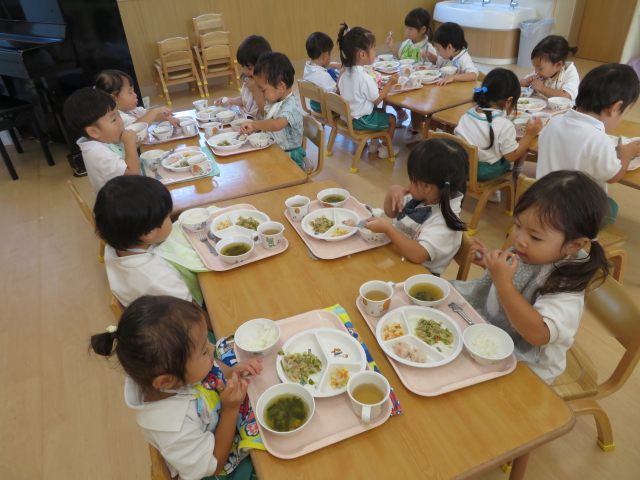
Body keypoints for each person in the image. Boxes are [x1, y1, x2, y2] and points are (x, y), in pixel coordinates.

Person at [450, 171, 610, 384]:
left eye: (534, 236)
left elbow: (538, 335)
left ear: (573, 245)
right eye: (517, 225)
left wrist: (503, 283)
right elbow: (518, 274)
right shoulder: (533, 251)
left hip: (528, 366)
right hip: (491, 336)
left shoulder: (567, 284)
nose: (519, 239)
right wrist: (491, 263)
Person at [90, 295, 264, 480]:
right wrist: (230, 409)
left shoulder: (172, 371)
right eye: (204, 351)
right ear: (166, 382)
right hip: (217, 464)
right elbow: (213, 465)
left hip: (221, 417)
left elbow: (211, 367)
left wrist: (231, 373)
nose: (211, 347)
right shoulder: (172, 427)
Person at [537, 63, 640, 224]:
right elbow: (612, 177)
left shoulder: (554, 121)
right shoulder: (600, 141)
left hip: (540, 200)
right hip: (569, 214)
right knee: (611, 208)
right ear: (616, 107)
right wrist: (626, 155)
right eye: (625, 112)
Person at [364, 139, 468, 275]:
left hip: (419, 276)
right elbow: (391, 212)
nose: (407, 181)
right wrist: (392, 192)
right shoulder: (422, 199)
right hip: (397, 258)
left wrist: (388, 229)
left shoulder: (445, 222)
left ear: (426, 187)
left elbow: (418, 255)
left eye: (410, 177)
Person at [94, 175, 201, 306]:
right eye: (168, 216)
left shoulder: (115, 243)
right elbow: (194, 315)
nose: (170, 218)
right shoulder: (158, 278)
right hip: (182, 316)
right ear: (148, 233)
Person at [455, 68, 543, 203]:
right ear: (508, 102)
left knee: (499, 146)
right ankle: (504, 183)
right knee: (513, 150)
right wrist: (530, 135)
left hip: (460, 165)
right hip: (483, 172)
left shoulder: (469, 113)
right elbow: (512, 156)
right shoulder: (503, 124)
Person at [336, 23, 399, 160]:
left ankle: (374, 145)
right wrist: (390, 83)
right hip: (360, 120)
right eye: (374, 49)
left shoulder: (344, 73)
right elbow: (377, 99)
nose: (375, 52)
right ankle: (386, 149)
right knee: (392, 119)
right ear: (362, 54)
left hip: (349, 117)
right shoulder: (364, 77)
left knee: (381, 112)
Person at [63, 87, 141, 193]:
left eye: (118, 115)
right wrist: (130, 143)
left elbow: (120, 156)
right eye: (114, 119)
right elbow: (133, 174)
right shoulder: (97, 154)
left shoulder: (104, 140)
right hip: (122, 203)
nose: (121, 122)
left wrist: (135, 144)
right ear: (93, 132)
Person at [239, 52, 306, 167]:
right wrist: (255, 129)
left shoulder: (291, 106)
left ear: (281, 87)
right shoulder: (275, 102)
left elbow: (276, 124)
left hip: (291, 158)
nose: (261, 94)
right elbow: (269, 125)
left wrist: (255, 125)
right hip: (276, 151)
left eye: (263, 90)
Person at [385, 7, 438, 143]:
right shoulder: (406, 44)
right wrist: (392, 47)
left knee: (415, 106)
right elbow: (400, 57)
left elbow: (436, 62)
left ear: (422, 30)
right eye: (406, 28)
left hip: (420, 85)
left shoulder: (427, 47)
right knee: (388, 94)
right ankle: (401, 113)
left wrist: (430, 56)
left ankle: (416, 131)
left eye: (410, 29)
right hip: (404, 80)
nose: (407, 32)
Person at [94, 69, 179, 128]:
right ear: (114, 98)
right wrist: (155, 111)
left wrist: (168, 118)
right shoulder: (118, 117)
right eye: (130, 92)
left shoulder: (129, 109)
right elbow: (137, 126)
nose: (135, 95)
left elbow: (148, 115)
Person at [214, 35, 272, 118]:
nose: (244, 71)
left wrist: (255, 91)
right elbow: (245, 100)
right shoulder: (249, 79)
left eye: (249, 68)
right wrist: (231, 101)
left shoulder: (269, 85)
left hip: (262, 126)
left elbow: (266, 114)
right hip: (248, 121)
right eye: (242, 66)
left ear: (264, 65)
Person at [520, 35, 579, 100]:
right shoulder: (540, 72)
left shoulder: (569, 72)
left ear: (557, 65)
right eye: (535, 67)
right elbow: (520, 84)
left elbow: (565, 96)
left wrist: (543, 88)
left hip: (561, 109)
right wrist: (526, 82)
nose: (536, 71)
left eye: (540, 68)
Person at [303, 31, 342, 113]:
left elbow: (323, 65)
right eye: (331, 54)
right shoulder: (323, 77)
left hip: (314, 102)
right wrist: (342, 74)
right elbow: (337, 93)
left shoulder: (308, 66)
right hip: (324, 107)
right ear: (325, 56)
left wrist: (336, 65)